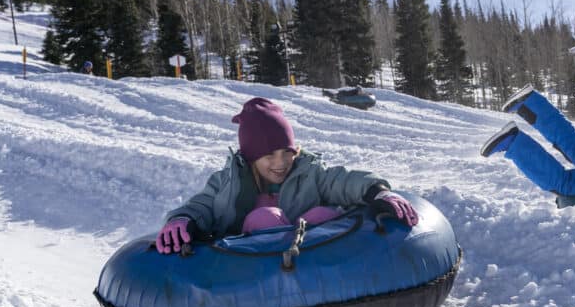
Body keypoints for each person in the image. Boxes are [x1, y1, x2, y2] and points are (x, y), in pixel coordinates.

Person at [155, 97, 418, 254]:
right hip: (249, 268)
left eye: (286, 152)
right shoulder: (226, 182)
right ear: (250, 158)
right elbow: (202, 204)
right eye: (269, 156)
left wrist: (378, 190)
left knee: (320, 215)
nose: (280, 163)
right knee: (264, 218)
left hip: (315, 262)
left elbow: (343, 180)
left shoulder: (309, 171)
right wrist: (182, 219)